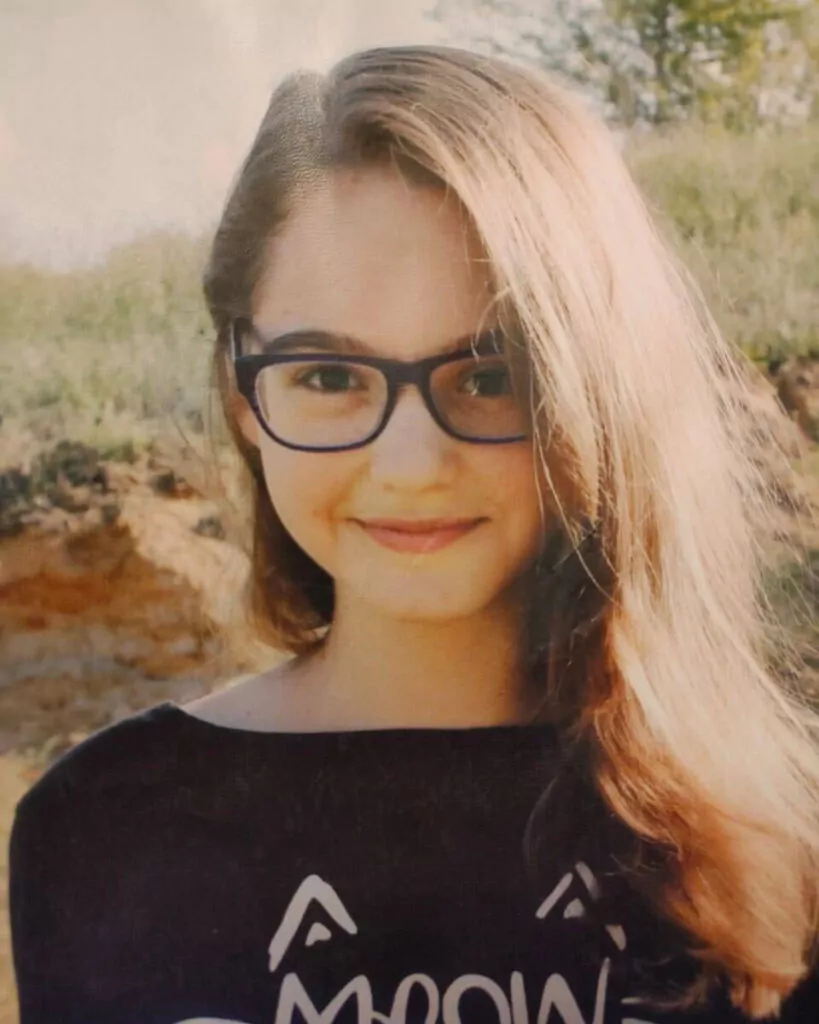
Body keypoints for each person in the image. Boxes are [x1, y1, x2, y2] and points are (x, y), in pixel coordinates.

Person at [8, 44, 819, 1024]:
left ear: (603, 390)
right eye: (328, 375)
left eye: (490, 374)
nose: (410, 462)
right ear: (242, 395)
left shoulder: (775, 843)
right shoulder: (104, 826)